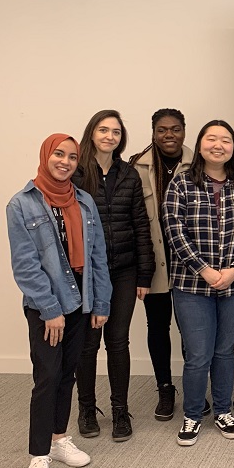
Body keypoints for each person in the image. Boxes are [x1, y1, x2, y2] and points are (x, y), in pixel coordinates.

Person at [7, 134, 111, 468]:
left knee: (68, 373)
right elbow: (25, 266)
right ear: (45, 156)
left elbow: (97, 256)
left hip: (82, 298)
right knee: (48, 376)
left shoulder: (84, 201)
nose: (65, 162)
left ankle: (59, 438)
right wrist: (50, 309)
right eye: (58, 154)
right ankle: (38, 455)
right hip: (46, 303)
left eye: (72, 157)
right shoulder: (21, 204)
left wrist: (101, 302)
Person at [162, 121, 234, 445]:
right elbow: (174, 231)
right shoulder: (181, 184)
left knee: (224, 351)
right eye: (211, 139)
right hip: (192, 287)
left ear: (233, 147)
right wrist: (203, 269)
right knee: (198, 354)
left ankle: (223, 411)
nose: (218, 145)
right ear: (200, 145)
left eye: (225, 140)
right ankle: (192, 415)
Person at [73, 111, 154, 442]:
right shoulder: (76, 174)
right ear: (91, 134)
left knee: (118, 341)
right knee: (88, 343)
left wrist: (145, 274)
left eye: (116, 132)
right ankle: (86, 409)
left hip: (124, 270)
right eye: (103, 130)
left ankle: (121, 410)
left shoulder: (128, 174)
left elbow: (140, 225)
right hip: (88, 272)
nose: (109, 136)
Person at [131, 109, 195, 422]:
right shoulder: (136, 167)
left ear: (184, 131)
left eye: (175, 129)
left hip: (189, 264)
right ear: (153, 132)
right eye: (162, 129)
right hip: (154, 263)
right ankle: (165, 388)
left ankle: (194, 388)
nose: (169, 135)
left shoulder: (199, 164)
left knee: (190, 329)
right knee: (157, 326)